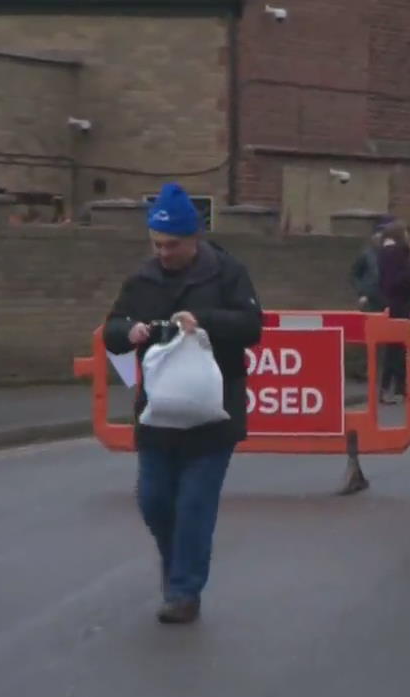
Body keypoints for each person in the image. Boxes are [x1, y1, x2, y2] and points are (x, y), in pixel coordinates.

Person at [103, 183, 262, 624]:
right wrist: (128, 331)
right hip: (158, 414)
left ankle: (184, 591)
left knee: (194, 505)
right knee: (154, 500)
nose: (164, 253)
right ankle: (178, 568)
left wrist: (203, 323)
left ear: (195, 239)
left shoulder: (227, 273)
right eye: (157, 244)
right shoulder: (141, 279)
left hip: (214, 413)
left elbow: (251, 326)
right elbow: (112, 328)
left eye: (172, 245)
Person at [377, 224, 410, 404]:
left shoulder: (383, 253)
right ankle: (395, 388)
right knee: (398, 348)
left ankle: (391, 388)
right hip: (400, 304)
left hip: (389, 304)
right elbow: (398, 280)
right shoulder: (399, 253)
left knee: (394, 348)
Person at [350, 224, 387, 313]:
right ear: (373, 238)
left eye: (381, 238)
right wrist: (362, 293)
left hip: (386, 298)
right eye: (377, 238)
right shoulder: (366, 255)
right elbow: (354, 275)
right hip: (369, 299)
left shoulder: (391, 254)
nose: (379, 241)